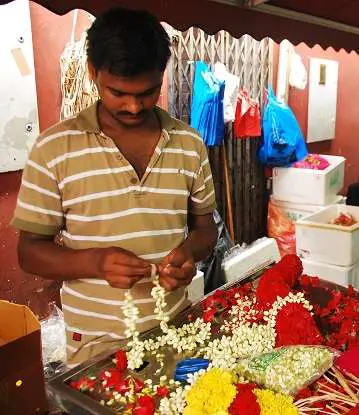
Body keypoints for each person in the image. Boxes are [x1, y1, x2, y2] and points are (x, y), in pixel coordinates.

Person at [11, 8, 218, 365]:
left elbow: (205, 229)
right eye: (118, 92)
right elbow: (29, 252)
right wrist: (95, 262)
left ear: (161, 75)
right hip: (96, 342)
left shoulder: (188, 144)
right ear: (93, 72)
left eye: (149, 92)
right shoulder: (54, 148)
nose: (134, 105)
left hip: (175, 327)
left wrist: (188, 255)